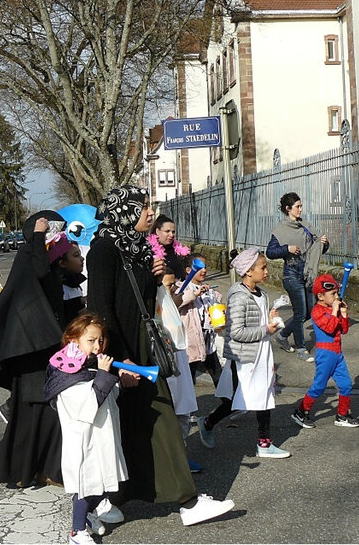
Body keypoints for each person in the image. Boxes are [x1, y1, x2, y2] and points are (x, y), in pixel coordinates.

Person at [87, 185, 234, 526]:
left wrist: (154, 278)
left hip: (141, 347)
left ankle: (128, 499)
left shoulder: (136, 248)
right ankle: (104, 501)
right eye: (143, 207)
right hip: (123, 352)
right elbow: (101, 310)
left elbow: (141, 302)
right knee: (129, 426)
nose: (150, 213)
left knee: (147, 424)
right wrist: (120, 363)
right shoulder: (104, 250)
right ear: (125, 212)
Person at [0, 211, 69, 487]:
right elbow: (39, 272)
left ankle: (48, 469)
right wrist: (37, 234)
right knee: (31, 414)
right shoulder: (29, 255)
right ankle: (20, 470)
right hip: (30, 348)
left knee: (49, 412)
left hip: (45, 345)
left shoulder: (43, 256)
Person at [197, 248, 291, 458]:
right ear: (249, 271)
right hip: (245, 358)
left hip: (260, 354)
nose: (266, 271)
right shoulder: (239, 296)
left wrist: (269, 316)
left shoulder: (262, 294)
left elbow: (253, 321)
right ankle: (209, 422)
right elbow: (237, 331)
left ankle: (263, 443)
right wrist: (266, 329)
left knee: (261, 397)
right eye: (263, 267)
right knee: (243, 399)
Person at [44, 313, 126, 545]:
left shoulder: (90, 364)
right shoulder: (65, 371)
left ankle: (90, 516)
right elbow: (86, 404)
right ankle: (77, 532)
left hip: (102, 434)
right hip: (84, 439)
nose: (98, 346)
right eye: (91, 340)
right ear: (73, 340)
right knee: (87, 483)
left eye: (101, 340)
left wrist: (115, 378)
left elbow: (109, 395)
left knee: (103, 480)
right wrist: (103, 375)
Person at [291, 274, 359, 429]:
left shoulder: (332, 309)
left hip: (337, 353)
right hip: (325, 353)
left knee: (346, 385)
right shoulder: (317, 311)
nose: (336, 297)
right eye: (333, 294)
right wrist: (335, 311)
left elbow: (343, 330)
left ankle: (342, 415)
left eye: (337, 293)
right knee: (319, 386)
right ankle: (301, 411)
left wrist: (343, 314)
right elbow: (329, 328)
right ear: (320, 296)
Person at [266, 192, 329, 362]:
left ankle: (283, 335)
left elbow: (317, 248)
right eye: (297, 206)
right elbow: (270, 252)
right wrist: (287, 249)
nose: (301, 209)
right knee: (300, 313)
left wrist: (324, 242)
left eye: (301, 206)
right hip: (291, 273)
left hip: (307, 273)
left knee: (308, 312)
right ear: (288, 209)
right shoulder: (280, 230)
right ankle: (302, 348)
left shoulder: (305, 226)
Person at [160, 267, 202, 474]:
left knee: (183, 413)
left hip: (180, 364)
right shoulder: (155, 309)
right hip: (166, 368)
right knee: (170, 416)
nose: (173, 290)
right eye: (168, 286)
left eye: (174, 285)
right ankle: (171, 461)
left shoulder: (171, 304)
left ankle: (182, 456)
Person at [178, 253, 223, 391]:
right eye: (199, 267)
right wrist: (194, 294)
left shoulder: (209, 290)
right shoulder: (181, 287)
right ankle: (188, 411)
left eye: (205, 267)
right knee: (188, 378)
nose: (204, 270)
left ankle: (229, 404)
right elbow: (177, 302)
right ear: (188, 270)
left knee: (218, 374)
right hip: (191, 342)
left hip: (209, 340)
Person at [147, 214, 189, 280]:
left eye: (173, 232)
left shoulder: (178, 250)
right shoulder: (149, 251)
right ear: (157, 231)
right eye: (167, 231)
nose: (171, 235)